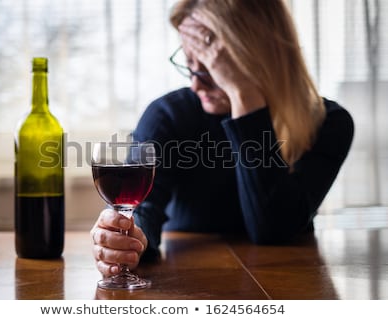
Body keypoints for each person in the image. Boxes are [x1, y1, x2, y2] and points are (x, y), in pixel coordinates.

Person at [90, 0, 354, 277]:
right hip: (191, 279)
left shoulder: (329, 123)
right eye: (189, 64)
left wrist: (244, 97)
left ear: (259, 56)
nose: (195, 83)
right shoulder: (168, 116)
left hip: (287, 280)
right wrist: (126, 241)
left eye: (209, 68)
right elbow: (143, 209)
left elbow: (273, 230)